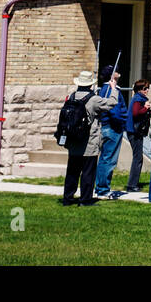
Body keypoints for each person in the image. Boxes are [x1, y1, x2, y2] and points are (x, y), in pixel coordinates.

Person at [61, 69, 118, 207]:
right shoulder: (94, 99)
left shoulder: (72, 96)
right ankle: (85, 200)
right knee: (88, 172)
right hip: (89, 141)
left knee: (72, 172)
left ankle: (68, 198)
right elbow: (111, 103)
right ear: (90, 85)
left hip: (73, 140)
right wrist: (113, 88)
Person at [94, 64, 130, 198]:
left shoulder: (105, 89)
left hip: (107, 127)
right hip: (112, 128)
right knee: (108, 160)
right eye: (116, 71)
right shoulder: (110, 89)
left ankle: (101, 188)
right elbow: (114, 110)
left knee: (105, 159)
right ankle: (102, 189)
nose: (119, 72)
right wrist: (121, 124)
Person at [125, 79, 151, 193]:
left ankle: (133, 183)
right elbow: (136, 113)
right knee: (138, 158)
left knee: (137, 157)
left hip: (134, 131)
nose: (147, 90)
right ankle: (132, 185)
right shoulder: (138, 99)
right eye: (145, 89)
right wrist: (145, 108)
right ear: (140, 90)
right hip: (134, 132)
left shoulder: (137, 98)